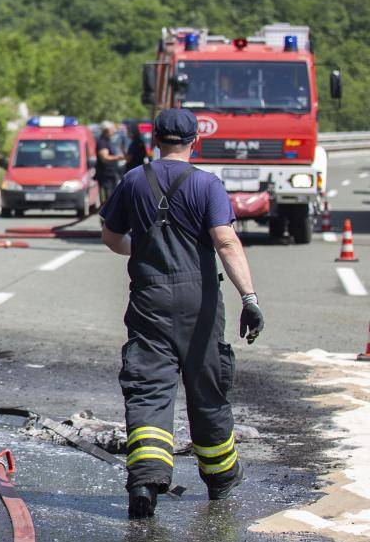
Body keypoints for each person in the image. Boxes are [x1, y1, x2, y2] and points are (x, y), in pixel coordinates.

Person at [99, 108, 263, 519]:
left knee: (149, 388)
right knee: (206, 388)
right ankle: (222, 478)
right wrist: (250, 298)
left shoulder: (134, 180)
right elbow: (225, 242)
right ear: (195, 142)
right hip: (200, 301)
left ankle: (146, 481)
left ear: (154, 139)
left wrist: (147, 251)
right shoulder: (208, 185)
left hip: (149, 298)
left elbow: (111, 236)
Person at [95, 120, 124, 204]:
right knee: (107, 199)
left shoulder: (107, 140)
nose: (113, 130)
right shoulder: (102, 142)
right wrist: (118, 157)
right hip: (105, 176)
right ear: (106, 130)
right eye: (111, 129)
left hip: (110, 175)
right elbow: (104, 157)